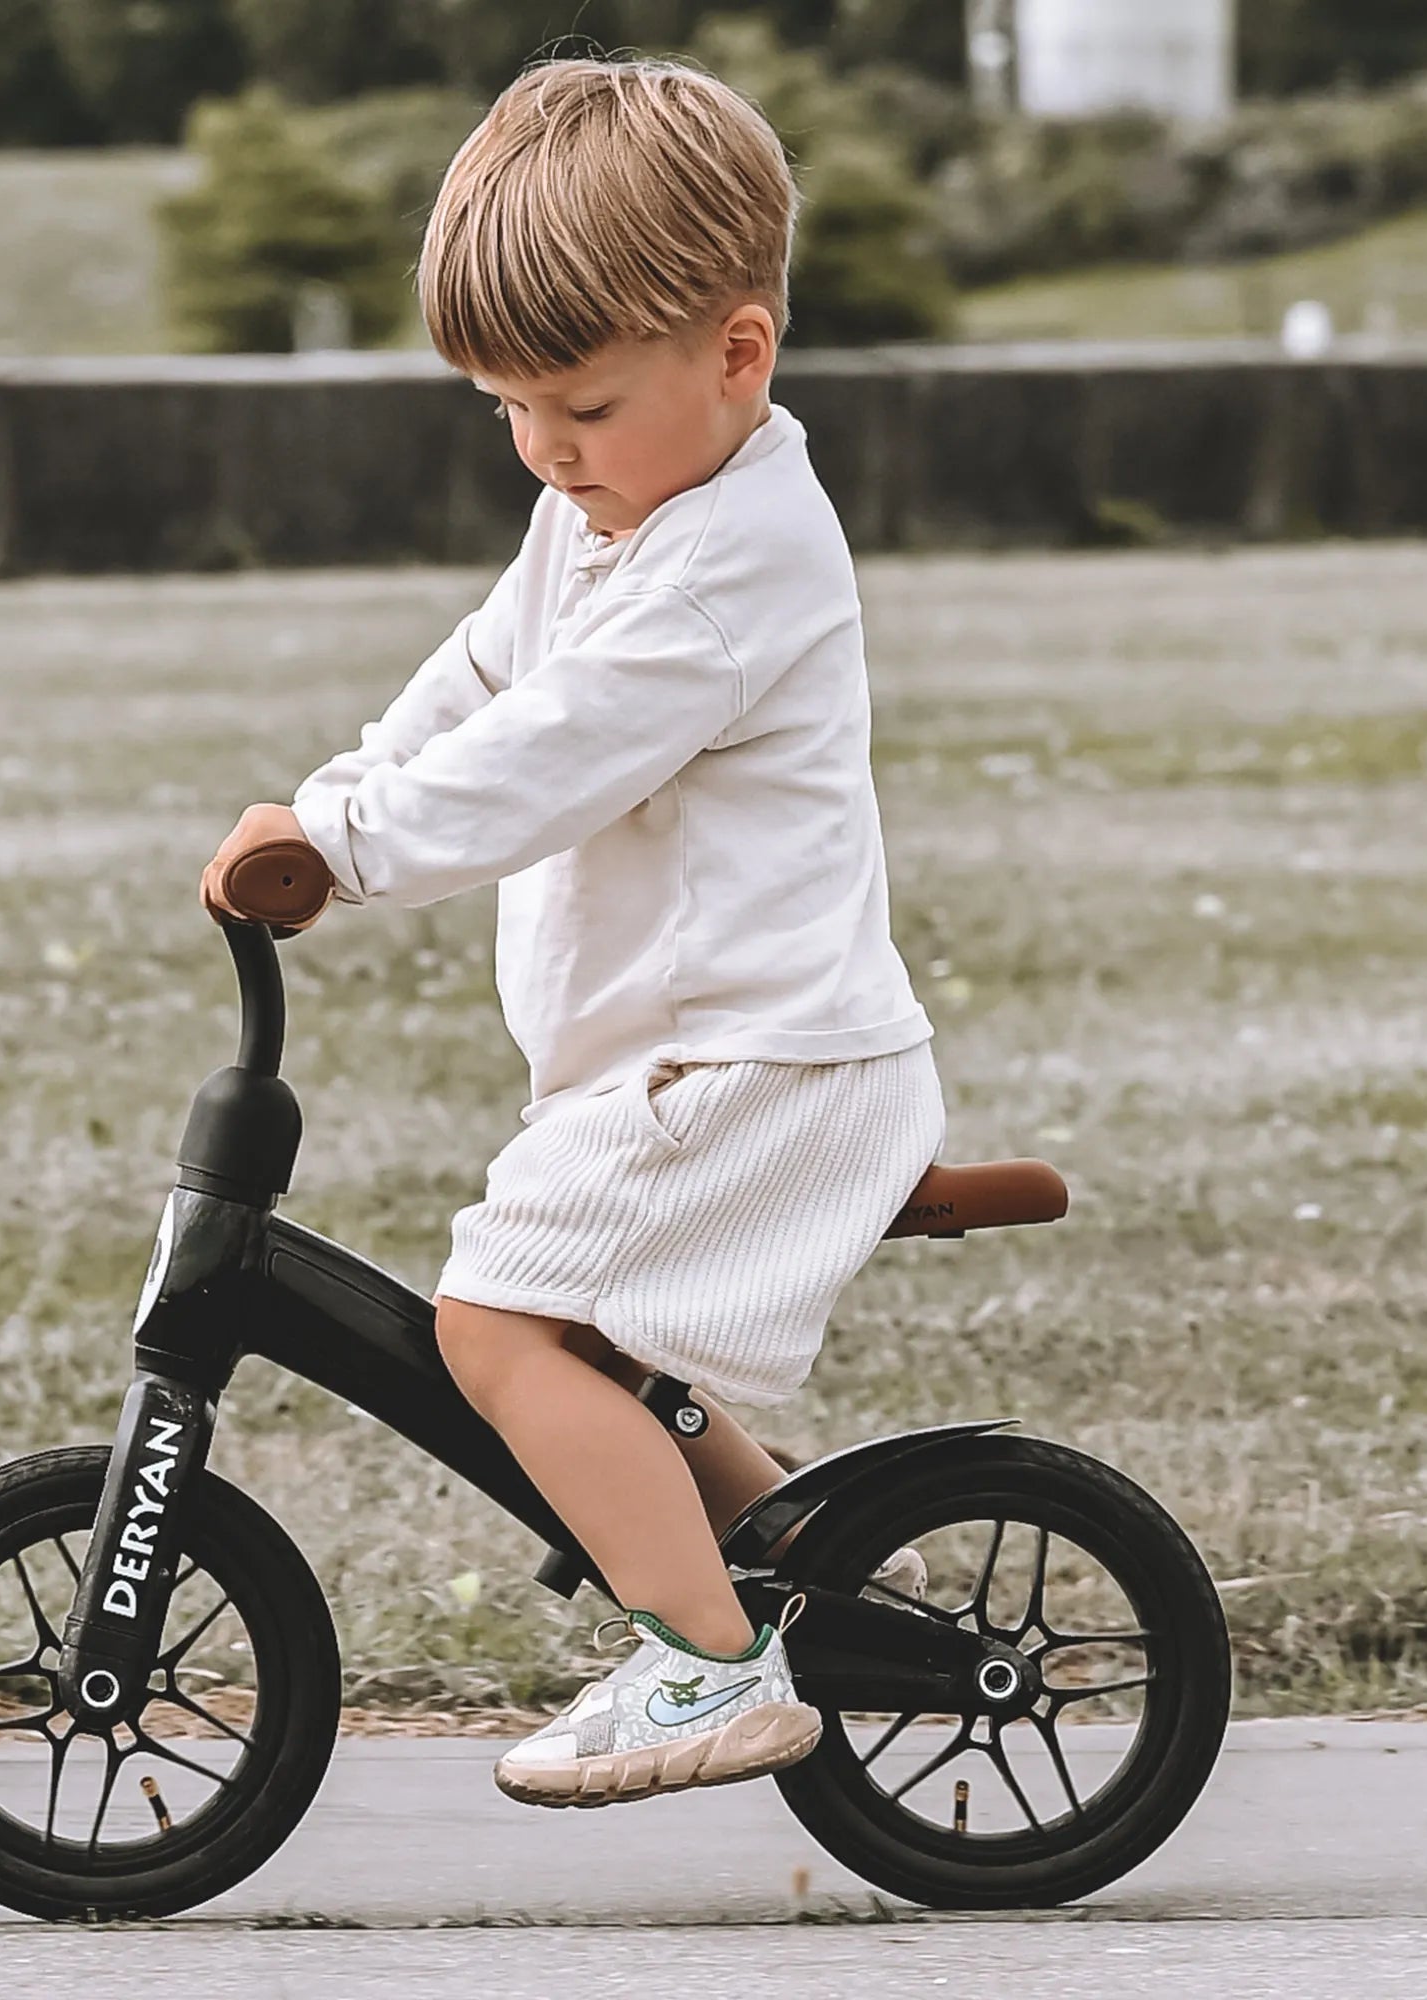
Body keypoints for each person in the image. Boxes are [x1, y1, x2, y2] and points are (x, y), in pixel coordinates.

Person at [201, 54, 943, 1810]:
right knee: (605, 1349)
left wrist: (356, 849)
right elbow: (482, 677)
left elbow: (549, 756)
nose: (543, 451)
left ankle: (704, 1663)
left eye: (580, 406)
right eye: (509, 408)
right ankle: (820, 1587)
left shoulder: (724, 569)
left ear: (736, 356)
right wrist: (337, 790)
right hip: (688, 1055)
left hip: (751, 1064)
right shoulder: (611, 513)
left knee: (502, 1331)